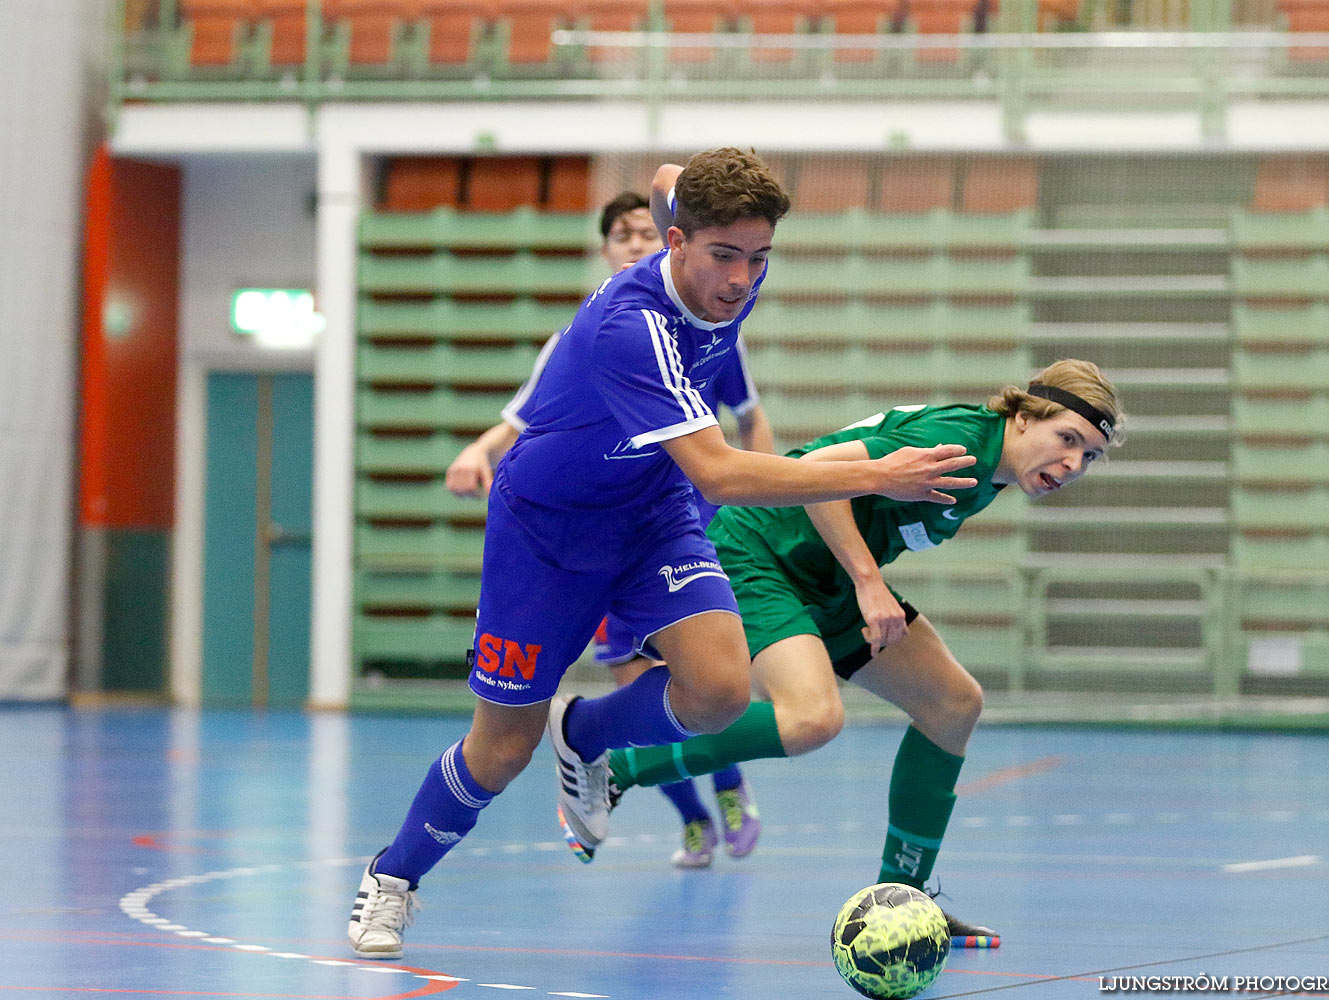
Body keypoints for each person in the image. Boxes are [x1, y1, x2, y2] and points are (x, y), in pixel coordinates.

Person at [347, 147, 980, 959]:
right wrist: (877, 475)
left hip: (652, 516)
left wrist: (690, 179)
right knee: (502, 748)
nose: (742, 279)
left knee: (717, 689)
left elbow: (669, 177)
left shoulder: (721, 260)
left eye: (759, 259)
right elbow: (718, 469)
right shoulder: (632, 329)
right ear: (674, 244)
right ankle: (394, 875)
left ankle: (588, 731)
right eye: (724, 256)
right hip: (546, 533)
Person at [597, 359, 1126, 946]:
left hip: (827, 576)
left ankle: (906, 901)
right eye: (1068, 439)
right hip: (763, 551)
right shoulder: (956, 447)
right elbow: (817, 469)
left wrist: (859, 578)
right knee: (811, 718)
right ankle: (618, 765)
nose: (1074, 463)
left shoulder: (995, 469)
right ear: (1025, 417)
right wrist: (869, 580)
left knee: (953, 705)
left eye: (1091, 455)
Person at [445, 191, 776, 869]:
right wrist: (478, 451)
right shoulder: (597, 333)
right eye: (620, 234)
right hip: (586, 533)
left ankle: (732, 786)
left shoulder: (717, 310)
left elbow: (746, 422)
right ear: (608, 251)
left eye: (641, 228)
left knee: (711, 681)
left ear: (667, 235)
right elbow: (524, 422)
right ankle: (689, 817)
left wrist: (755, 491)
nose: (634, 241)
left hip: (681, 518)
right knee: (636, 687)